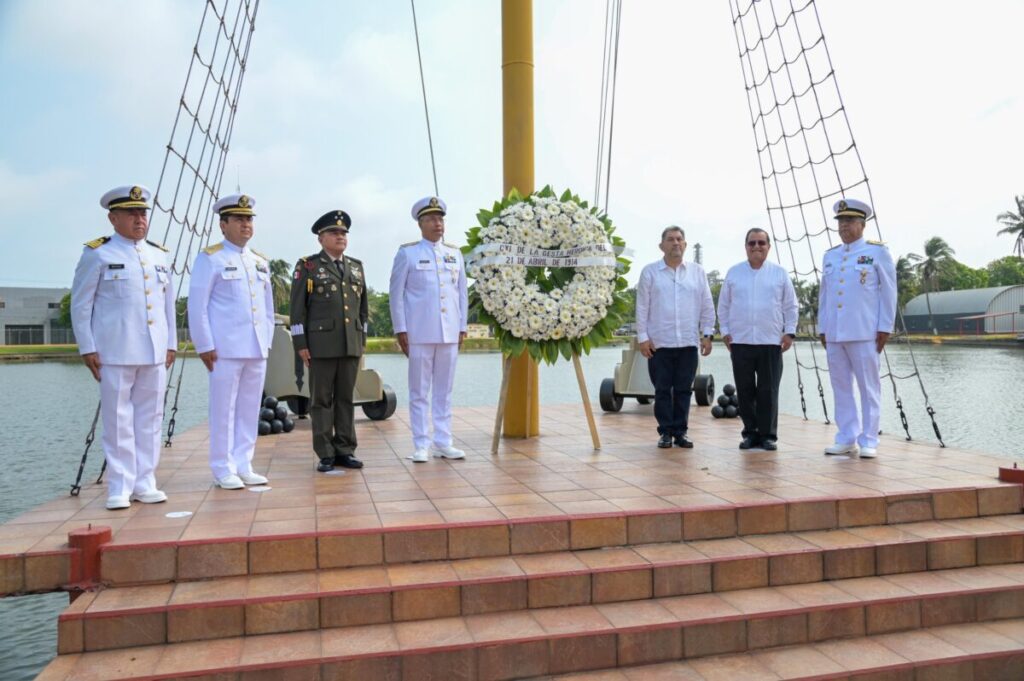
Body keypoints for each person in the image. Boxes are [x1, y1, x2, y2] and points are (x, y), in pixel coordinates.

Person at [71, 185, 176, 510]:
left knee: (151, 418)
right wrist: (87, 347)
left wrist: (171, 342)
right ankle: (119, 485)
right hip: (114, 350)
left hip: (154, 351)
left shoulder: (159, 255)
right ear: (113, 217)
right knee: (118, 420)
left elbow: (167, 305)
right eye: (131, 213)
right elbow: (81, 305)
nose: (139, 218)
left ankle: (145, 481)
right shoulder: (98, 254)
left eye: (142, 212)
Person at [187, 193, 274, 489]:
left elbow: (268, 309)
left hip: (256, 346)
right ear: (223, 225)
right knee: (223, 409)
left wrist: (268, 342)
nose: (245, 224)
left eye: (249, 219)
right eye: (238, 219)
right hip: (224, 348)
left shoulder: (260, 261)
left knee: (250, 408)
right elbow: (197, 305)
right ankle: (222, 467)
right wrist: (204, 345)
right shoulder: (210, 258)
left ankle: (244, 463)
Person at [389, 196, 468, 463]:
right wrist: (401, 329)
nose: (438, 223)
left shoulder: (454, 254)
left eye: (441, 218)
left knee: (444, 391)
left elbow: (462, 294)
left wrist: (463, 327)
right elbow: (396, 295)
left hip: (449, 332)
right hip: (419, 333)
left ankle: (443, 441)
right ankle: (421, 444)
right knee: (419, 391)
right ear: (420, 224)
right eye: (432, 219)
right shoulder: (408, 253)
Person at [818, 198, 897, 459]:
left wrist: (885, 326)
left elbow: (888, 293)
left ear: (862, 224)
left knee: (868, 388)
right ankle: (846, 436)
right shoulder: (830, 256)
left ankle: (869, 439)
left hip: (865, 332)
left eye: (849, 221)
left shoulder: (877, 252)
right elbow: (825, 295)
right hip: (835, 332)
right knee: (841, 386)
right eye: (840, 221)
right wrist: (823, 327)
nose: (843, 226)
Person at [289, 210, 367, 473]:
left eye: (343, 233)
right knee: (321, 401)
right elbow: (297, 310)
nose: (340, 236)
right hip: (320, 346)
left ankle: (345, 449)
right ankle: (325, 452)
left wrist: (361, 339)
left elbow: (362, 310)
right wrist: (300, 344)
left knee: (345, 398)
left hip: (350, 344)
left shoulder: (356, 266)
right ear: (321, 238)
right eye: (334, 233)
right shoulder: (308, 266)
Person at [717, 228, 799, 451]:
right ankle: (750, 433)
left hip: (770, 341)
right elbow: (723, 306)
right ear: (746, 247)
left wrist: (789, 332)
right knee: (744, 391)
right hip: (740, 340)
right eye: (752, 243)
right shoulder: (734, 273)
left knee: (768, 390)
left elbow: (790, 305)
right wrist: (724, 332)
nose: (756, 247)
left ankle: (768, 435)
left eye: (761, 243)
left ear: (768, 246)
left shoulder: (780, 274)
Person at [636, 226, 715, 449]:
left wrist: (707, 334)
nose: (675, 243)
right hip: (659, 343)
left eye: (679, 239)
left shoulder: (697, 272)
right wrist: (643, 337)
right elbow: (642, 307)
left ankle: (681, 432)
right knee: (661, 390)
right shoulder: (650, 272)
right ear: (662, 245)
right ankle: (665, 432)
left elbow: (707, 306)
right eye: (670, 239)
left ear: (686, 244)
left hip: (688, 343)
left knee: (683, 390)